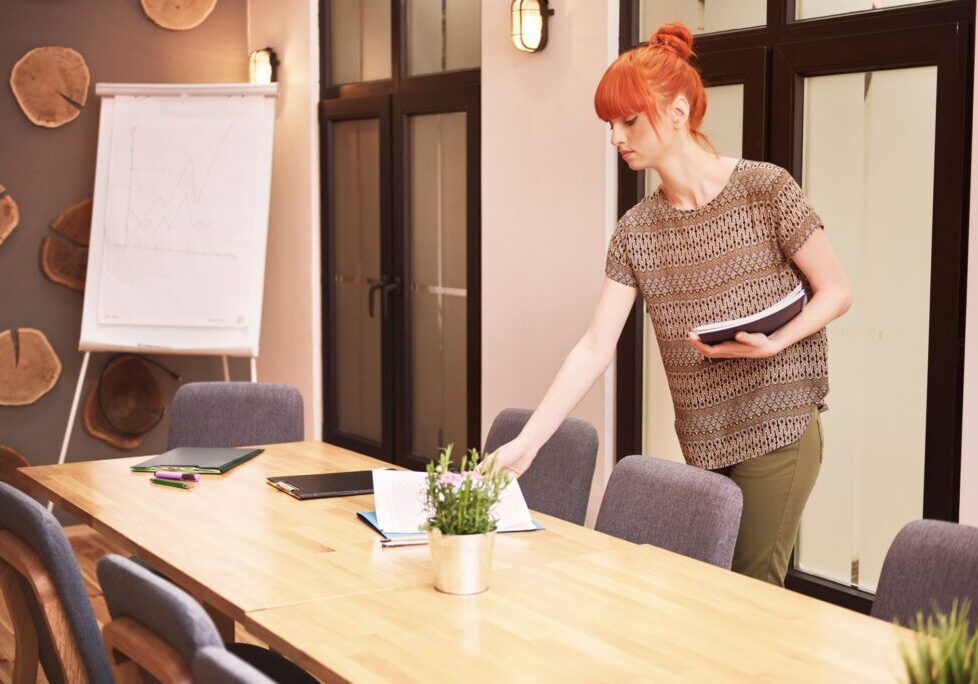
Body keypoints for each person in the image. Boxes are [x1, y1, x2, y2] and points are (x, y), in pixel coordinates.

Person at [490, 22, 852, 587]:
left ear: (678, 111)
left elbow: (836, 291)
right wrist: (527, 443)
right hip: (705, 433)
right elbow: (594, 345)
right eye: (611, 124)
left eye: (628, 121)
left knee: (749, 591)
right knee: (710, 591)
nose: (616, 137)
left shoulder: (766, 189)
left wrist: (775, 341)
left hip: (779, 420)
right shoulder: (636, 230)